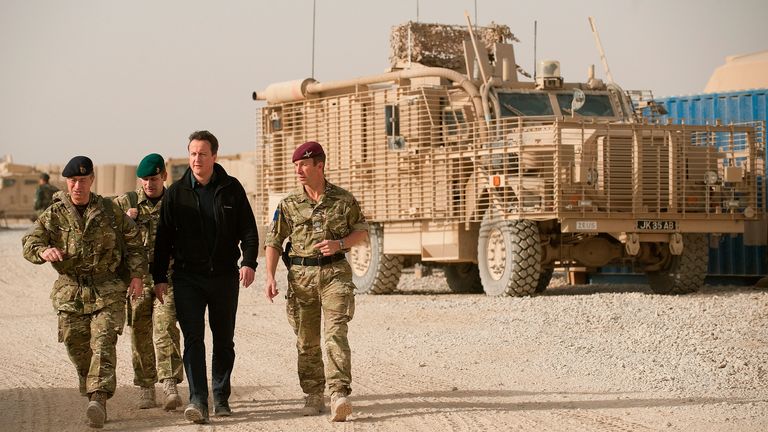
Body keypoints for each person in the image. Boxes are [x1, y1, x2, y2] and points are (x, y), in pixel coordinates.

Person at [21, 156, 146, 428]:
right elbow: (30, 241)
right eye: (73, 181)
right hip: (71, 290)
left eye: (83, 180)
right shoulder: (53, 215)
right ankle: (90, 389)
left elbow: (134, 242)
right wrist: (43, 251)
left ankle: (98, 399)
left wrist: (137, 275)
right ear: (67, 182)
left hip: (106, 288)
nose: (78, 186)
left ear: (92, 180)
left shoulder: (110, 211)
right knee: (76, 347)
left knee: (102, 342)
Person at [152, 130, 259, 424]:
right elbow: (163, 239)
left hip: (224, 277)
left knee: (224, 340)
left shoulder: (231, 189)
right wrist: (159, 276)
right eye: (192, 153)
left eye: (202, 153)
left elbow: (249, 231)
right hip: (188, 278)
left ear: (214, 156)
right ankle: (198, 399)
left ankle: (221, 396)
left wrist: (248, 262)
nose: (197, 159)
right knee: (193, 339)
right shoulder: (176, 193)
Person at [264, 141, 369, 422]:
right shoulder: (288, 205)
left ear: (319, 166)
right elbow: (273, 241)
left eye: (303, 165)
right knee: (306, 340)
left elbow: (362, 232)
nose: (298, 170)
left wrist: (341, 243)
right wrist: (270, 276)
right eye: (296, 166)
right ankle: (312, 392)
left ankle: (338, 394)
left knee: (336, 334)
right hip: (301, 279)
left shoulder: (343, 200)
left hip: (335, 275)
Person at [114, 153, 184, 411]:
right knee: (140, 333)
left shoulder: (175, 202)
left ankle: (169, 384)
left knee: (166, 328)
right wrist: (126, 222)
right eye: (144, 179)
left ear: (164, 176)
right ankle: (146, 386)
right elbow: (106, 233)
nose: (149, 184)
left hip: (167, 278)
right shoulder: (126, 203)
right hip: (137, 280)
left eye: (154, 178)